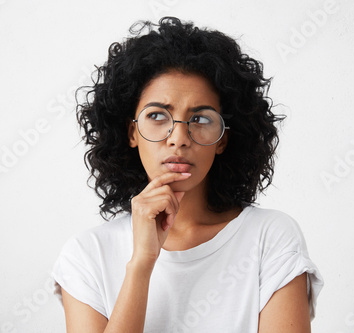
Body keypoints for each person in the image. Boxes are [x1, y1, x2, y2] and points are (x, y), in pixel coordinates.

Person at [52, 17, 323, 332]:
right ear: (132, 133)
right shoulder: (87, 254)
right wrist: (141, 264)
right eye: (157, 115)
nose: (178, 137)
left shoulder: (270, 237)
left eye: (200, 118)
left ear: (222, 139)